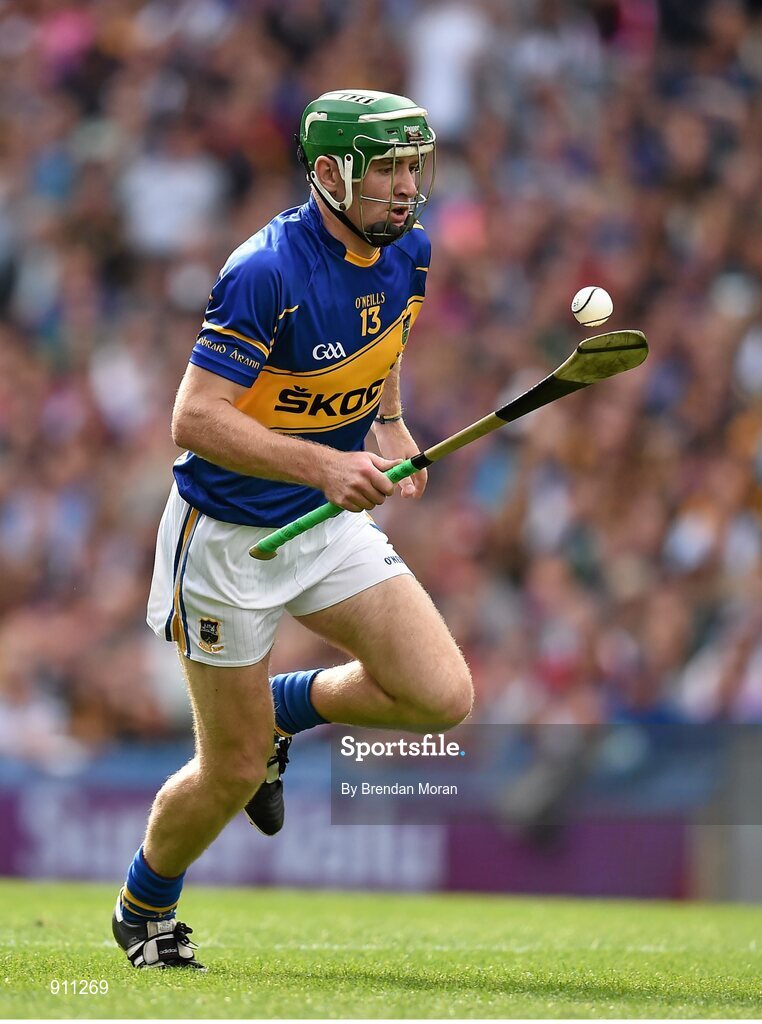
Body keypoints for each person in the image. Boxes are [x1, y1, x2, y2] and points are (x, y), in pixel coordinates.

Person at [112, 89, 473, 970]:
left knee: (441, 695)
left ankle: (284, 708)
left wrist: (386, 423)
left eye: (410, 167)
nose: (404, 187)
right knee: (229, 772)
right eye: (383, 168)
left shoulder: (411, 251)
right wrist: (323, 464)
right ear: (327, 173)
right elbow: (193, 420)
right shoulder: (263, 270)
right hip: (232, 541)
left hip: (325, 526)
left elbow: (385, 341)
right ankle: (144, 906)